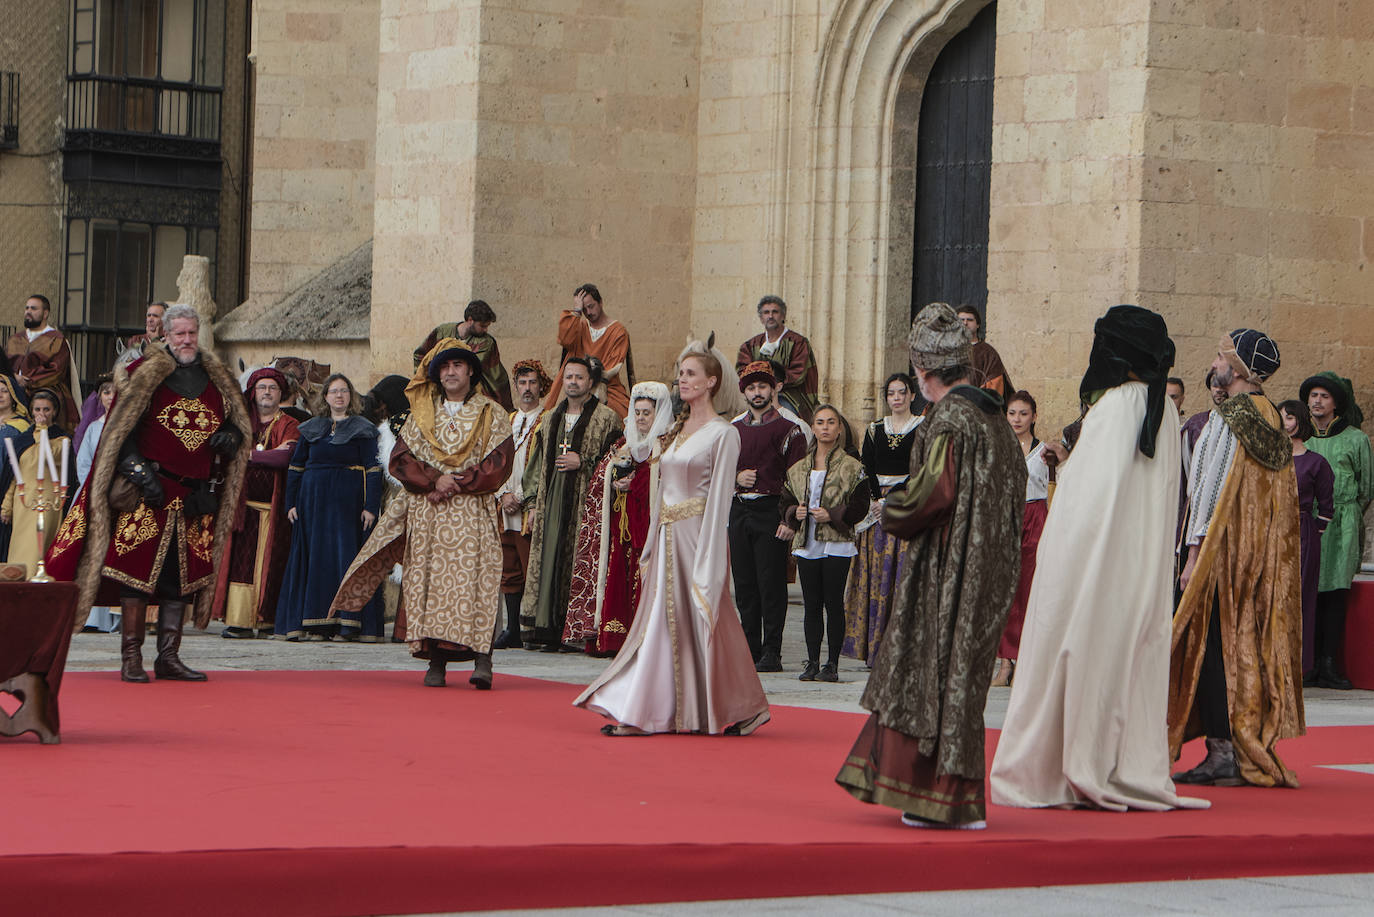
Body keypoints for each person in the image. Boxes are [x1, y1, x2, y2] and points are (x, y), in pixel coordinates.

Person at [990, 305, 1209, 812]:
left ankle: (1066, 767)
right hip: (1135, 571)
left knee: (1077, 655)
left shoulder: (1115, 408)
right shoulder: (1161, 408)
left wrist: (1059, 557)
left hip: (1093, 566)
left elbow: (1088, 501)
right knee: (1122, 662)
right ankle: (1115, 762)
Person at [836, 303, 1025, 830]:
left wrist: (885, 511)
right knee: (962, 682)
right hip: (988, 573)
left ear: (922, 373)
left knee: (932, 675)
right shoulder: (996, 419)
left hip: (946, 572)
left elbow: (930, 496)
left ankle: (936, 798)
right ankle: (956, 800)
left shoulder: (950, 419)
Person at [45, 304, 250, 683]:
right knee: (133, 575)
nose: (187, 340)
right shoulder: (144, 376)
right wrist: (143, 476)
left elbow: (237, 425)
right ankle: (131, 658)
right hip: (149, 493)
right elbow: (118, 436)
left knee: (179, 579)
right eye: (180, 334)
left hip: (194, 496)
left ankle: (169, 657)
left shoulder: (217, 377)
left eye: (192, 333)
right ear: (166, 336)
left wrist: (231, 436)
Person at [575, 347, 770, 736]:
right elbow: (662, 488)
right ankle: (651, 710)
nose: (682, 380)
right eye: (680, 373)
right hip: (667, 536)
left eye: (690, 373)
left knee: (710, 615)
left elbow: (719, 499)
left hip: (698, 535)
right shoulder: (677, 432)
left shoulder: (724, 433)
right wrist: (652, 540)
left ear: (711, 382)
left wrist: (712, 554)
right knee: (663, 621)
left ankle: (743, 706)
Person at [330, 339, 514, 688]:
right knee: (429, 583)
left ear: (470, 370)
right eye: (444, 368)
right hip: (430, 512)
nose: (450, 372)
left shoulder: (493, 413)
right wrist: (434, 480)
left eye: (457, 366)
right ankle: (436, 660)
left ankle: (483, 659)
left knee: (478, 582)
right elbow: (401, 460)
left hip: (472, 511)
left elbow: (499, 461)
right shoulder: (421, 416)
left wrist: (457, 481)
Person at [1170, 329, 1304, 787]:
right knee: (1241, 648)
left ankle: (1223, 750)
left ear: (1241, 367)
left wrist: (1192, 556)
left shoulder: (1234, 416)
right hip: (1254, 555)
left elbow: (1210, 491)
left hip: (1220, 553)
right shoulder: (1268, 415)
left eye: (1221, 355)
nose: (1215, 361)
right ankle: (1240, 742)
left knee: (1209, 650)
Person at [564, 381, 674, 655]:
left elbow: (666, 479)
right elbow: (603, 474)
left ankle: (647, 639)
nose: (640, 418)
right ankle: (615, 638)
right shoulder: (624, 443)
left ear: (658, 414)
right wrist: (614, 479)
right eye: (637, 412)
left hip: (649, 527)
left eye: (646, 413)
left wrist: (635, 482)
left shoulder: (666, 445)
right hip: (621, 526)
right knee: (618, 577)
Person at [521, 357, 622, 649]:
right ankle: (546, 630)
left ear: (590, 382)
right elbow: (536, 462)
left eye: (579, 377)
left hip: (584, 505)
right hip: (551, 501)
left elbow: (615, 462)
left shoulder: (607, 418)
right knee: (549, 558)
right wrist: (531, 502)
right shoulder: (550, 417)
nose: (573, 383)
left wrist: (585, 462)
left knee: (578, 559)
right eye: (568, 378)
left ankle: (577, 631)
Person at [273, 374, 382, 642]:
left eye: (344, 391)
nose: (339, 396)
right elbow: (296, 468)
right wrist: (291, 503)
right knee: (315, 560)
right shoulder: (311, 429)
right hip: (312, 507)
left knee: (344, 559)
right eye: (334, 392)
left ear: (351, 396)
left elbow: (374, 469)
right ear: (325, 397)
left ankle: (346, 625)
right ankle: (317, 625)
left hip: (348, 506)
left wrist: (371, 506)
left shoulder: (364, 429)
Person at [779, 405, 868, 683]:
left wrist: (834, 514)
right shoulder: (798, 468)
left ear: (839, 428)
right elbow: (785, 501)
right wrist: (795, 513)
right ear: (813, 428)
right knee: (812, 603)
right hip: (808, 542)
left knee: (833, 602)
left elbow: (861, 503)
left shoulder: (852, 466)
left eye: (831, 422)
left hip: (836, 542)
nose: (826, 427)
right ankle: (813, 660)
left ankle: (832, 663)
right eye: (820, 422)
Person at [730, 361, 807, 672]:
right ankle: (749, 648)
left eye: (762, 386)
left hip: (771, 510)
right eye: (751, 387)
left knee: (771, 584)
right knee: (745, 583)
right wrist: (737, 478)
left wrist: (790, 521)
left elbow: (798, 479)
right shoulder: (733, 430)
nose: (757, 392)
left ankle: (771, 652)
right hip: (739, 511)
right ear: (744, 393)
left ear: (775, 388)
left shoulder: (790, 430)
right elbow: (715, 472)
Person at [213, 368, 301, 639]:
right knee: (240, 565)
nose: (267, 392)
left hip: (273, 511)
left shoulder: (289, 424)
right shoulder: (241, 423)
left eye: (272, 388)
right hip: (243, 507)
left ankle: (266, 620)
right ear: (253, 392)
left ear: (280, 394)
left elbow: (284, 457)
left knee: (273, 564)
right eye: (262, 387)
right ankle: (239, 622)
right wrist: (255, 455)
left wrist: (246, 455)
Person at [843, 373, 921, 666]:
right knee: (876, 576)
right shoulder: (875, 429)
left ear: (913, 395)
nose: (897, 398)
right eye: (891, 393)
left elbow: (921, 469)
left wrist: (891, 500)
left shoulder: (922, 428)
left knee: (900, 575)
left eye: (902, 392)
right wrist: (876, 501)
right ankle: (874, 648)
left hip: (907, 503)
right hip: (876, 509)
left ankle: (900, 650)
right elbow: (867, 467)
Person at [1300, 372, 1371, 690]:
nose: (1317, 401)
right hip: (1308, 524)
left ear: (1336, 403)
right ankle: (1308, 662)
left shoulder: (1356, 439)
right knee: (1308, 591)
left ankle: (1329, 662)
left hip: (1341, 525)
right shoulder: (1302, 439)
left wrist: (1346, 514)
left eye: (1324, 396)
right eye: (1313, 395)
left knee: (1335, 593)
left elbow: (1366, 487)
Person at [989, 391, 1049, 687]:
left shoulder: (1044, 452)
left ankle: (1027, 660)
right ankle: (1004, 661)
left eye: (1023, 413)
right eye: (1012, 413)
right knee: (1003, 591)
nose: (1017, 419)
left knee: (1029, 590)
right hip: (1005, 517)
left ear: (1034, 416)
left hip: (1035, 517)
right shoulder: (998, 448)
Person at [493, 359, 551, 649]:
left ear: (541, 386)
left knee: (531, 567)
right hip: (505, 505)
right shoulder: (508, 419)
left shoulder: (547, 420)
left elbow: (543, 467)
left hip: (529, 506)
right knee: (509, 569)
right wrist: (503, 494)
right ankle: (512, 628)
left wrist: (523, 497)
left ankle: (533, 629)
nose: (527, 389)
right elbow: (496, 460)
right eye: (522, 383)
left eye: (532, 383)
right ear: (515, 387)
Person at [1277, 400, 1334, 685]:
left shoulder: (1316, 463)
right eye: (1280, 417)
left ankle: (1297, 666)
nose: (1284, 422)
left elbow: (1326, 508)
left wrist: (1312, 534)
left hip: (1303, 533)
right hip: (1271, 531)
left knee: (1299, 600)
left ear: (1299, 420)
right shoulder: (1270, 456)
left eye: (1288, 417)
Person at [2, 390, 70, 573]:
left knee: (38, 547)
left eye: (46, 409)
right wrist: (6, 505)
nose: (41, 414)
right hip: (23, 499)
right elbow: (15, 474)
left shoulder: (61, 439)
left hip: (48, 500)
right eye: (37, 409)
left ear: (54, 411)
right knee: (20, 544)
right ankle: (18, 582)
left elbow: (45, 455)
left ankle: (37, 581)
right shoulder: (22, 439)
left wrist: (42, 430)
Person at [545, 283, 634, 418]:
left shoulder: (618, 331)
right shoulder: (578, 326)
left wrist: (587, 382)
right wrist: (576, 311)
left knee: (620, 414)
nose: (589, 313)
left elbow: (610, 369)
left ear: (601, 303)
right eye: (584, 309)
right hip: (574, 381)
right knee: (551, 415)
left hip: (606, 385)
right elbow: (565, 340)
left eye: (591, 306)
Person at [74, 380, 119, 632]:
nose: (110, 396)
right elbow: (84, 463)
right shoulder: (93, 428)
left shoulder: (130, 426)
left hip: (120, 499)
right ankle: (91, 617)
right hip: (94, 497)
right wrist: (94, 492)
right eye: (106, 391)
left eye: (115, 391)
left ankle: (114, 616)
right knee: (91, 555)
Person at [413, 299, 513, 412]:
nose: (486, 330)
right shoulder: (442, 332)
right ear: (470, 320)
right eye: (482, 326)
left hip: (471, 396)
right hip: (438, 393)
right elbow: (420, 355)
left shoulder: (486, 342)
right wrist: (426, 380)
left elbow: (474, 367)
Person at [735, 295, 819, 425]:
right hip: (757, 393)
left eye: (775, 312)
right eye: (766, 312)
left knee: (787, 420)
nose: (770, 316)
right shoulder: (751, 345)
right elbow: (742, 370)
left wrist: (773, 382)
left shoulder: (798, 342)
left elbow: (798, 374)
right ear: (761, 318)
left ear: (783, 316)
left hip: (789, 396)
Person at [6, 294, 80, 430]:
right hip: (14, 391)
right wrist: (14, 378)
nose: (28, 311)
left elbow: (56, 371)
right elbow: (6, 366)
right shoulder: (15, 339)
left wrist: (28, 381)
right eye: (27, 308)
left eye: (34, 309)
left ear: (45, 313)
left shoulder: (56, 339)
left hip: (46, 391)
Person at [0, 373, 31, 561]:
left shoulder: (22, 427)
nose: (0, 395)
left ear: (13, 396)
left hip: (7, 487)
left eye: (4, 391)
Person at [956, 304, 1014, 398]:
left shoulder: (988, 353)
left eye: (970, 320)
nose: (965, 323)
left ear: (978, 324)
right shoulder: (949, 352)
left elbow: (994, 387)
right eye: (961, 320)